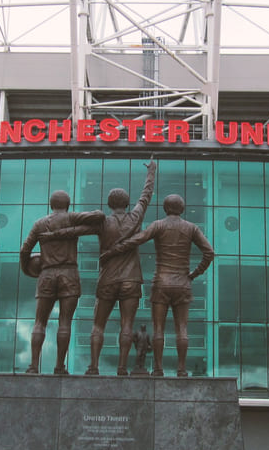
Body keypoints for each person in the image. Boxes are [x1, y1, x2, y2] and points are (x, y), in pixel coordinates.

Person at [42, 161, 157, 375]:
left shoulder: (103, 222)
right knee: (127, 324)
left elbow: (75, 230)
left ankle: (93, 367)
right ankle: (122, 368)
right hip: (131, 279)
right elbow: (146, 195)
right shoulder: (135, 217)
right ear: (127, 202)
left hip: (107, 279)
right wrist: (151, 171)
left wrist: (52, 235)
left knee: (98, 324)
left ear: (109, 204)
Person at [100, 194, 214, 377]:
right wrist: (194, 274)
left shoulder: (158, 225)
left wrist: (113, 250)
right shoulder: (191, 228)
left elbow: (137, 239)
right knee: (182, 328)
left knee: (158, 328)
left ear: (165, 208)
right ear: (182, 208)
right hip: (182, 282)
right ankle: (182, 370)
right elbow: (209, 253)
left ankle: (159, 369)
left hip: (161, 282)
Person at [19, 190, 105, 374]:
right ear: (67, 205)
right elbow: (99, 216)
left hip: (46, 274)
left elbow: (24, 249)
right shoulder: (71, 217)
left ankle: (34, 366)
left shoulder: (39, 224)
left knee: (39, 322)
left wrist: (27, 269)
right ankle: (59, 366)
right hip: (69, 273)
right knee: (65, 322)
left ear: (51, 205)